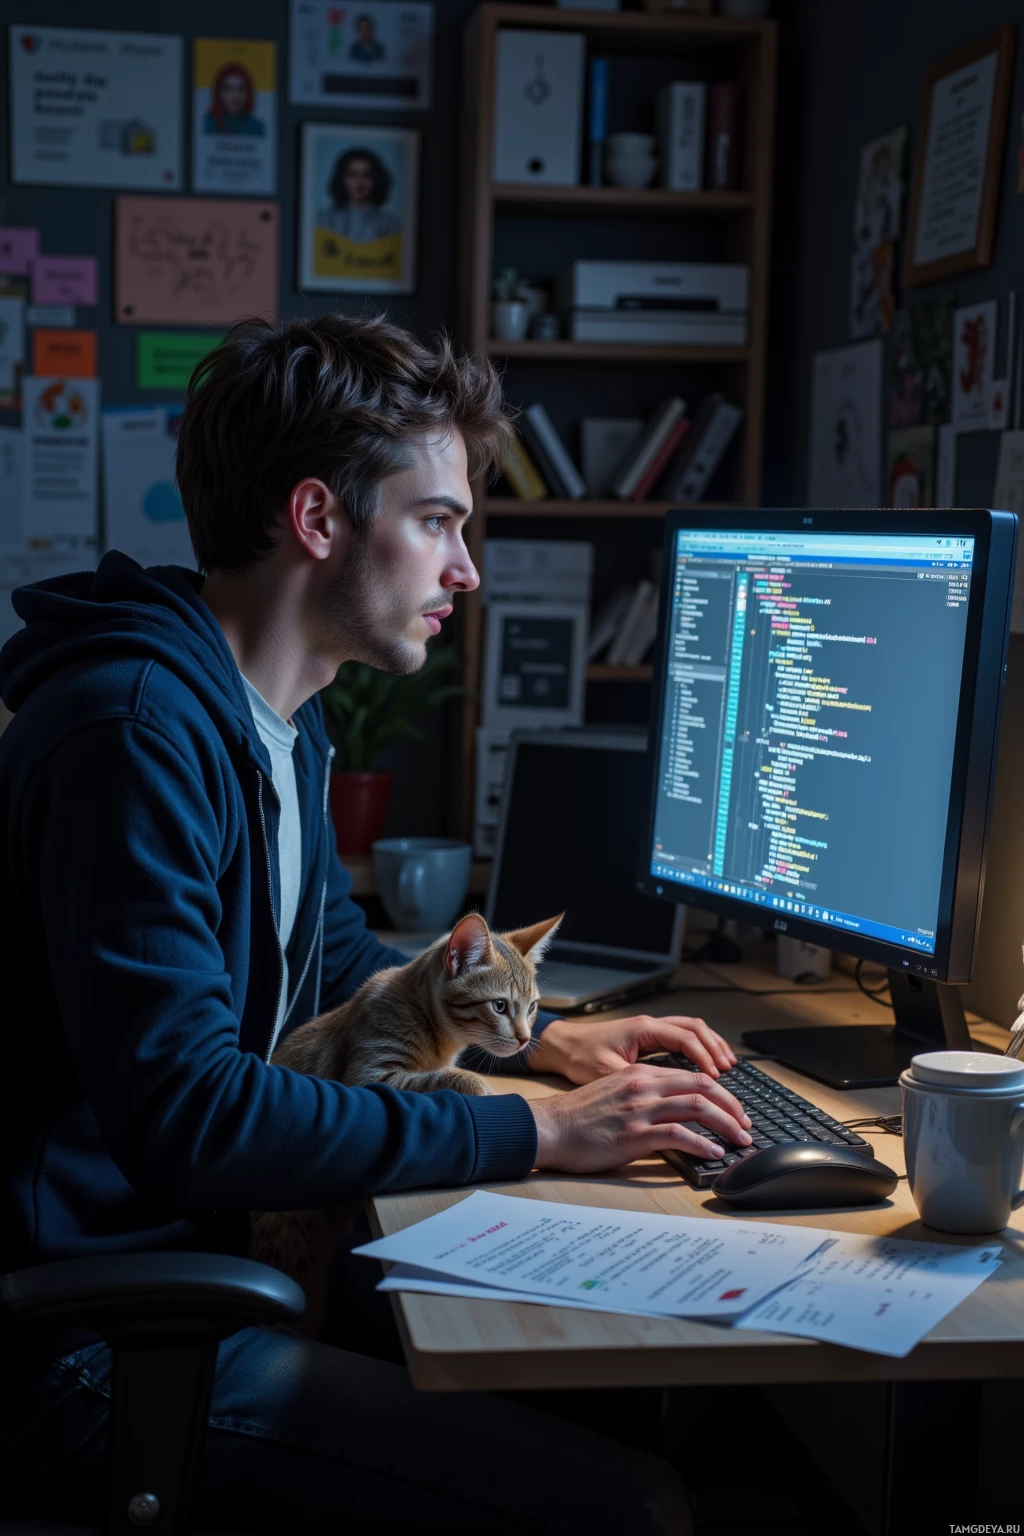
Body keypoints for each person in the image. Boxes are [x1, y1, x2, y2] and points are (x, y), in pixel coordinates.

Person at [0, 313, 752, 1534]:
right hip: (95, 1339)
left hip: (201, 1250)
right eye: (439, 522)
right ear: (317, 521)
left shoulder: (271, 711)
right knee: (632, 1508)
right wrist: (534, 1133)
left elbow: (330, 964)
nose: (466, 569)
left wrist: (550, 1040)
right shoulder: (132, 735)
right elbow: (191, 1116)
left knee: (639, 1392)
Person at [318, 146, 401, 243]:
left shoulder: (391, 224)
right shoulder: (324, 220)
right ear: (342, 179)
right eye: (353, 175)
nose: (359, 183)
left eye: (367, 176)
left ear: (376, 180)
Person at [204, 60, 265, 136]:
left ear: (248, 93)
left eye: (240, 89)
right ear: (219, 93)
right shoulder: (209, 123)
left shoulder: (257, 127)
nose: (235, 95)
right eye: (228, 89)